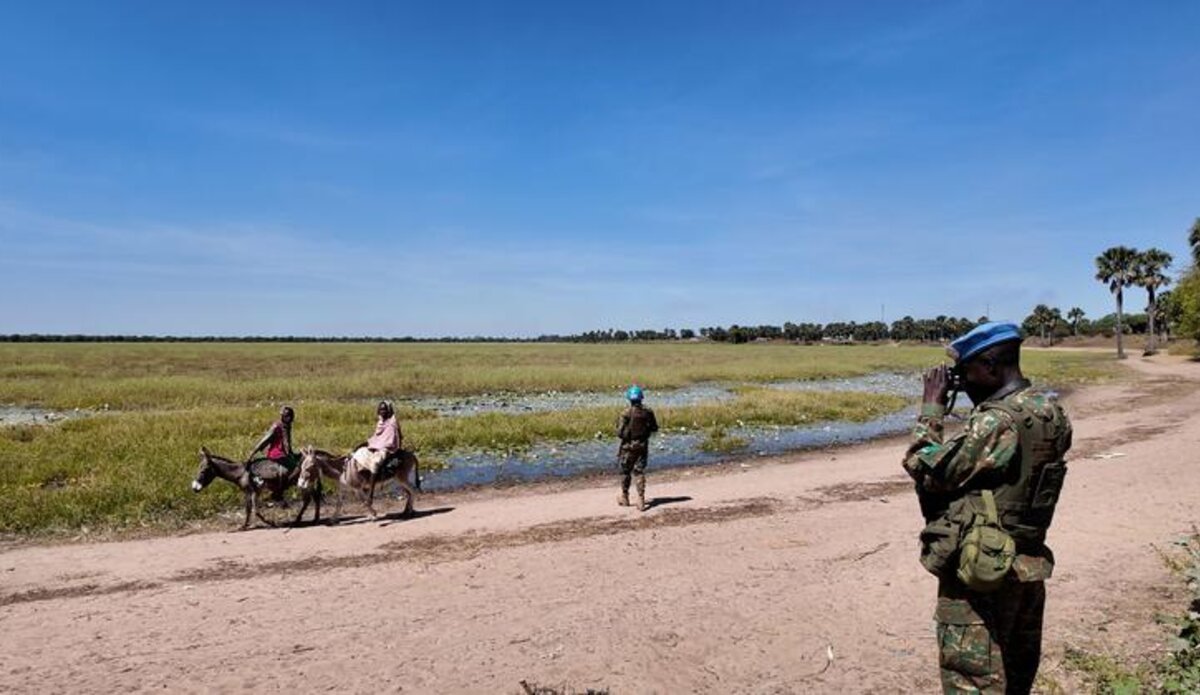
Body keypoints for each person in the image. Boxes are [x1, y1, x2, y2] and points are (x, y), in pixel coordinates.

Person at [902, 322, 1072, 694]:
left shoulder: (996, 422)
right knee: (1015, 679)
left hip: (981, 574)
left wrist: (932, 407)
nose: (961, 384)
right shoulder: (1048, 411)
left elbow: (925, 466)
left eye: (966, 373)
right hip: (1025, 568)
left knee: (973, 682)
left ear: (992, 365)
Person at [616, 385, 658, 511]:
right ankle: (641, 499)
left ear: (629, 398)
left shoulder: (625, 413)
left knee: (625, 471)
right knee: (639, 471)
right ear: (641, 398)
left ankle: (625, 497)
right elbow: (654, 428)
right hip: (642, 445)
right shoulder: (648, 412)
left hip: (627, 447)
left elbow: (619, 433)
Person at [245, 405, 297, 497]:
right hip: (277, 454)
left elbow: (287, 442)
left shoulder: (287, 426)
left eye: (287, 416)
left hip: (284, 453)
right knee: (295, 468)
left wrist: (291, 453)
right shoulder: (276, 426)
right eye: (284, 416)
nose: (285, 418)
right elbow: (264, 440)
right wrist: (252, 453)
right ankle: (279, 492)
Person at [349, 400, 403, 478]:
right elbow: (377, 438)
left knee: (375, 463)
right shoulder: (380, 422)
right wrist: (363, 445)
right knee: (360, 453)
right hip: (377, 447)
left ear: (388, 410)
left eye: (384, 409)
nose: (382, 411)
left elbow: (390, 440)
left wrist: (378, 446)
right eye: (381, 409)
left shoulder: (392, 423)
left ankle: (371, 487)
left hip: (386, 449)